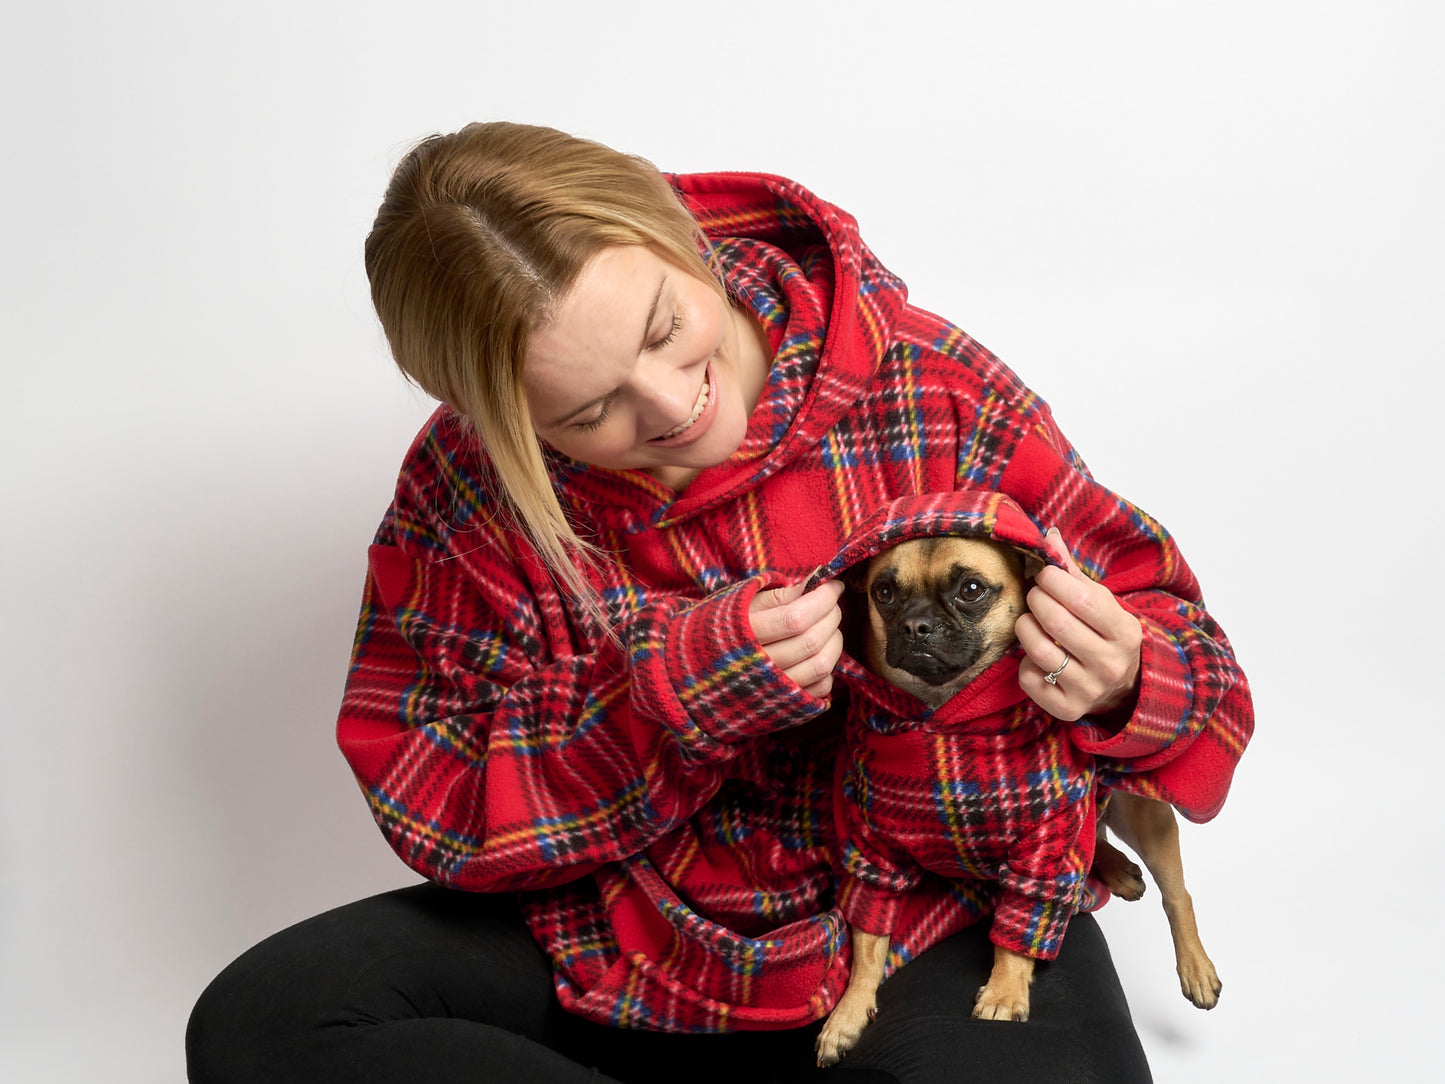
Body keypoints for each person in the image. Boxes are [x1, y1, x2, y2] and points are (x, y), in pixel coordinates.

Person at [186, 122, 1253, 1084]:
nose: (667, 405)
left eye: (661, 326)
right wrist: (664, 704)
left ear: (675, 232)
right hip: (630, 940)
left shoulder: (932, 386)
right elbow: (428, 790)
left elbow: (1199, 670)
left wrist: (1125, 680)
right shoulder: (465, 492)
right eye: (585, 409)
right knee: (271, 1022)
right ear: (494, 418)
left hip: (928, 916)